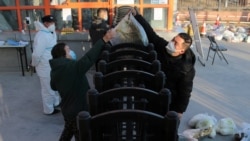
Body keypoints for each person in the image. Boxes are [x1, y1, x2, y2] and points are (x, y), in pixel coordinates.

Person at [49, 29, 116, 141]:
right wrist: (104, 40)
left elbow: (53, 87)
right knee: (81, 135)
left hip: (67, 109)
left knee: (68, 130)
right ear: (63, 54)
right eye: (68, 50)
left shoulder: (55, 70)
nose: (71, 52)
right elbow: (89, 58)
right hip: (78, 111)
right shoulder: (72, 67)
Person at [132, 9, 196, 119]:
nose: (171, 43)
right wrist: (138, 16)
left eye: (175, 43)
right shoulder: (164, 47)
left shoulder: (186, 69)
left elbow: (185, 92)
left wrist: (179, 110)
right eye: (173, 39)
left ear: (181, 51)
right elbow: (151, 34)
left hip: (169, 100)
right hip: (153, 92)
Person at [31, 15, 61, 115]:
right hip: (44, 66)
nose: (53, 24)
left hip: (53, 64)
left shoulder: (51, 32)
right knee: (47, 88)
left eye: (54, 22)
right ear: (46, 24)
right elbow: (36, 54)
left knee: (55, 85)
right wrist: (34, 65)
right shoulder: (41, 35)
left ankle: (56, 103)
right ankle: (49, 109)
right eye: (51, 23)